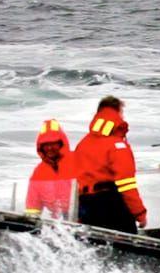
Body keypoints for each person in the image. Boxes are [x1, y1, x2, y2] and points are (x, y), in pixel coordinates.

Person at [70, 95, 148, 234]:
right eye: (122, 113)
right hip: (111, 206)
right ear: (117, 114)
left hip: (86, 205)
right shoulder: (117, 146)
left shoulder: (83, 144)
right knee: (126, 244)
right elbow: (126, 184)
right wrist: (140, 213)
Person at [24, 118, 78, 218]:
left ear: (62, 144)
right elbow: (33, 209)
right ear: (40, 147)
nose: (50, 148)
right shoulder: (38, 173)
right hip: (58, 223)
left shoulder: (79, 160)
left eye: (54, 144)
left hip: (86, 218)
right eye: (46, 145)